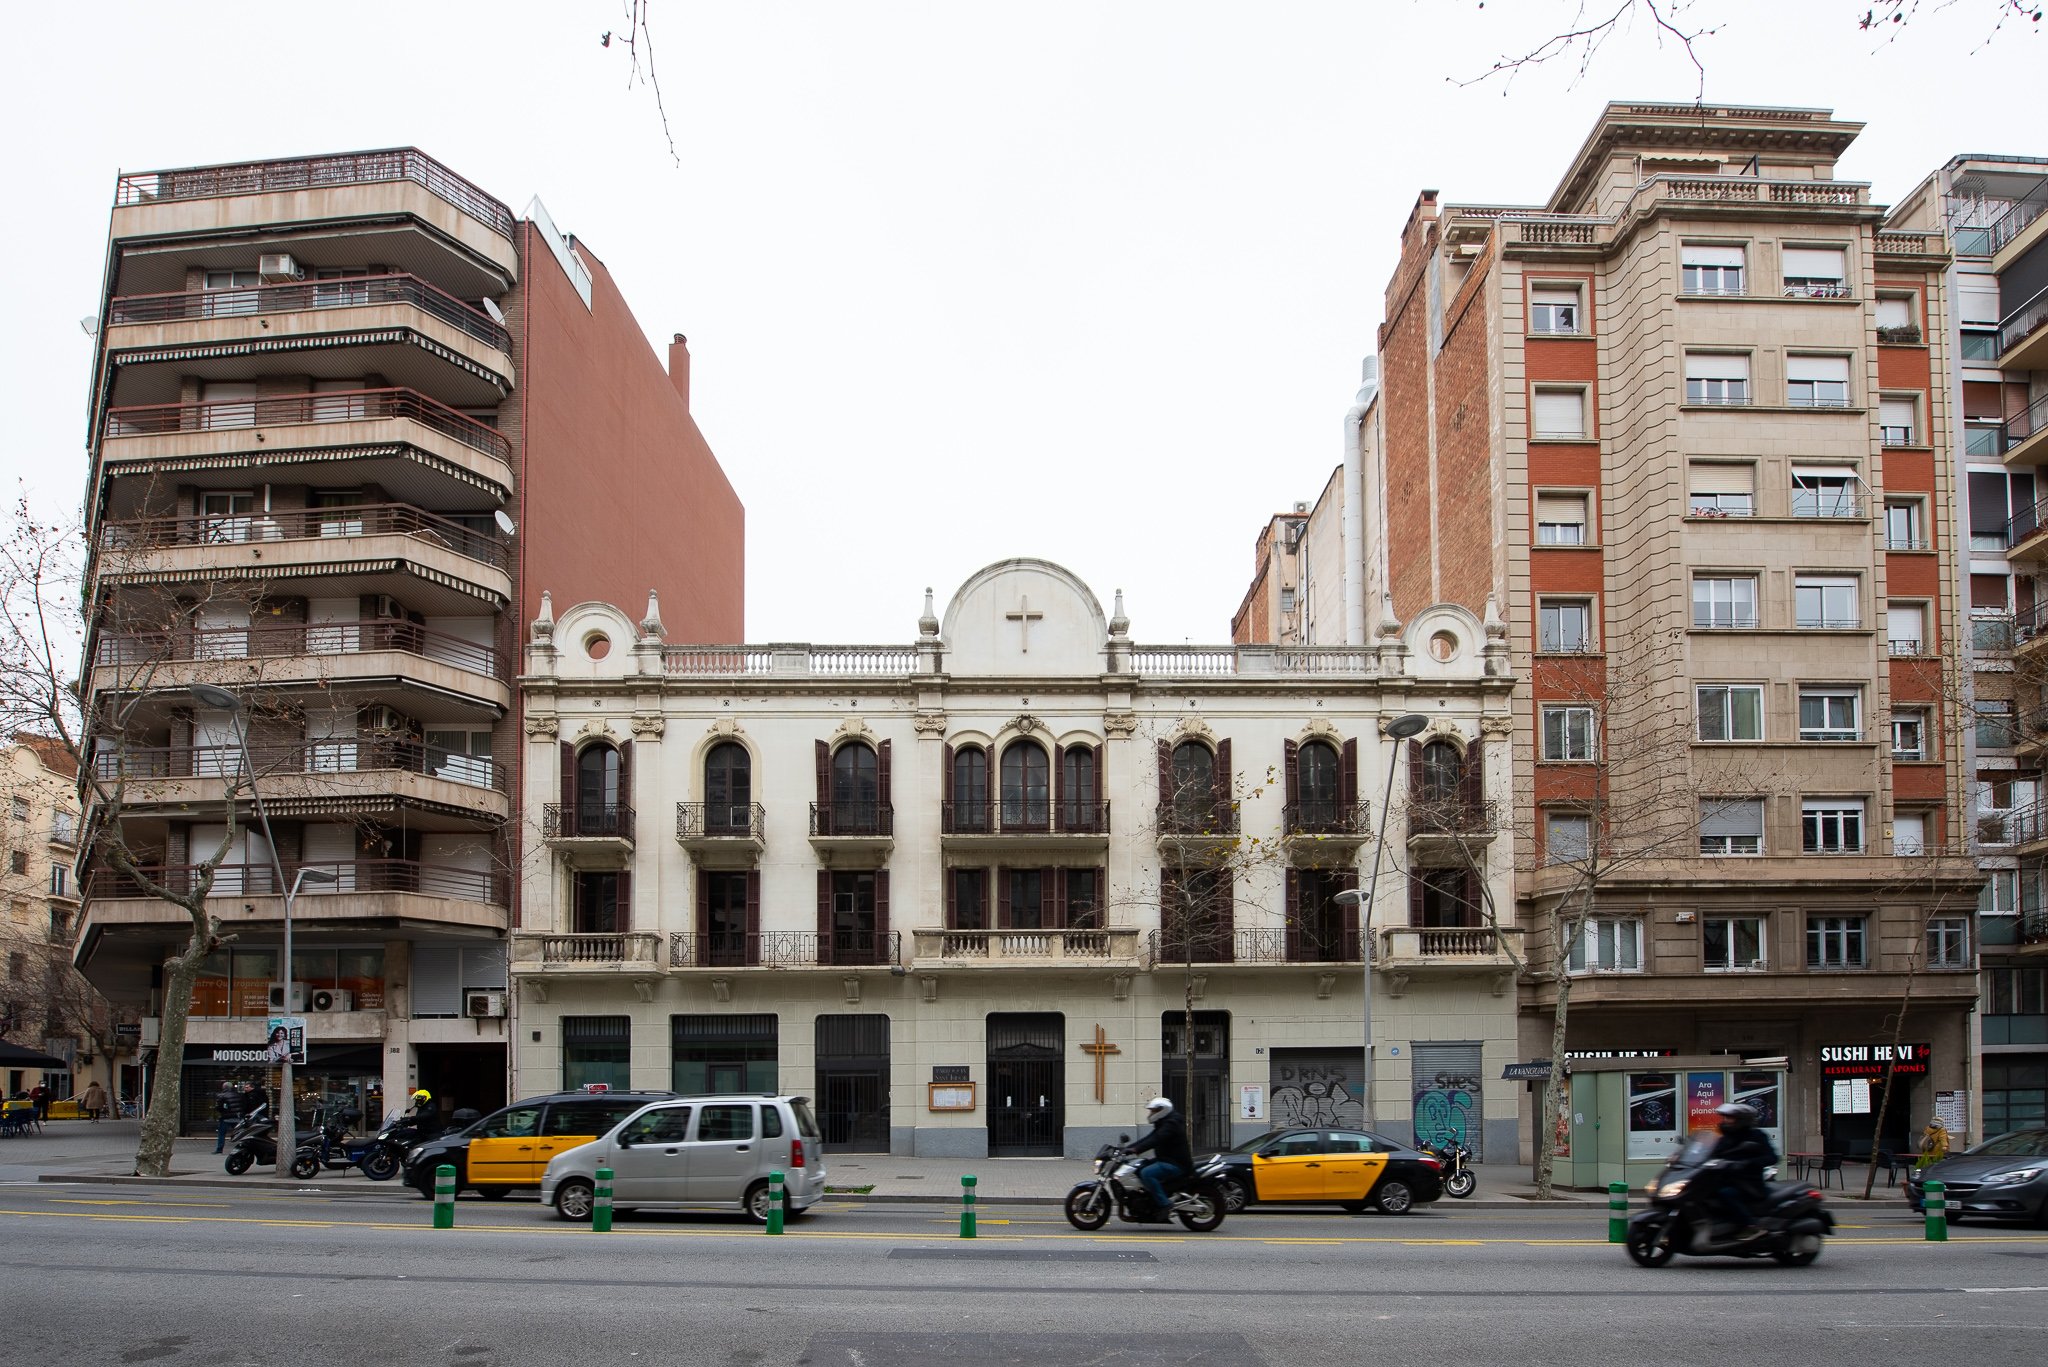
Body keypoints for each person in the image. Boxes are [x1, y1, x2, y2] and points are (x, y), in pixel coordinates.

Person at [1705, 1101, 1776, 1239]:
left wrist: (1746, 1163)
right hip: (1726, 1179)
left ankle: (1751, 1226)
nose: (1725, 1121)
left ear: (1742, 1120)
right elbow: (1712, 1154)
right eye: (1724, 1117)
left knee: (1726, 1194)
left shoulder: (1756, 1136)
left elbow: (1771, 1158)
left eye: (1730, 1118)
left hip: (1747, 1183)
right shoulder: (1725, 1138)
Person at [1125, 1096, 1194, 1221]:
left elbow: (1155, 1140)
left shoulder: (1171, 1124)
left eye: (1153, 1111)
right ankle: (1150, 1201)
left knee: (1147, 1173)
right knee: (1140, 1168)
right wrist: (1128, 1149)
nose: (1151, 1113)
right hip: (1167, 1159)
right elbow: (1148, 1138)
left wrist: (1136, 1150)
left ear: (1162, 1110)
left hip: (1176, 1164)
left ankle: (1165, 1205)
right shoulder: (1164, 1123)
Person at [213, 1080, 241, 1153]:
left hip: (225, 1117)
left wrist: (222, 1112)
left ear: (223, 1087)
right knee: (240, 1133)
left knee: (221, 1134)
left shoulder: (221, 1095)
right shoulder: (238, 1095)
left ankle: (219, 1149)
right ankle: (242, 1147)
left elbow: (219, 1107)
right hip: (236, 1117)